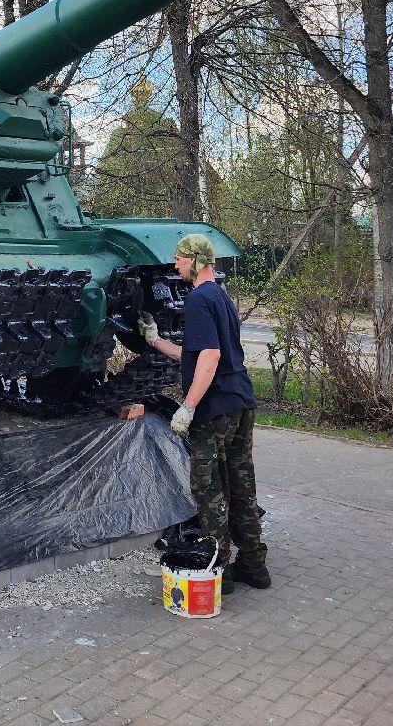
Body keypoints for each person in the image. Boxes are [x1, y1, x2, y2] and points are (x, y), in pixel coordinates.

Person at [139, 233, 270, 590]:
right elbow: (197, 354)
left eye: (179, 259)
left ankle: (219, 569)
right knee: (241, 483)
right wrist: (157, 341)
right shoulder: (222, 297)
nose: (176, 265)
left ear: (193, 260)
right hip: (241, 401)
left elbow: (209, 357)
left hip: (215, 408)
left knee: (207, 486)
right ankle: (255, 566)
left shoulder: (197, 298)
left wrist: (188, 406)